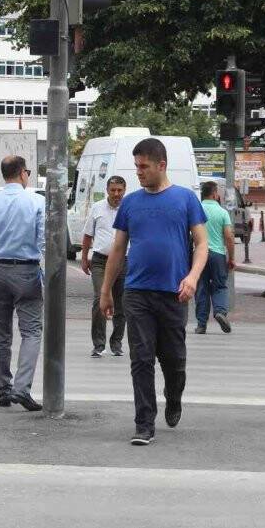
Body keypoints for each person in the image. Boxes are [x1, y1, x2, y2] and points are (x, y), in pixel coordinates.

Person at [99, 138, 208, 446]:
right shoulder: (131, 203)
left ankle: (173, 397)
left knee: (174, 361)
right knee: (141, 359)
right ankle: (144, 423)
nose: (139, 172)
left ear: (162, 165)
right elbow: (118, 249)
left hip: (174, 293)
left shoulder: (185, 199)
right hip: (137, 293)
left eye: (144, 166)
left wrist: (193, 277)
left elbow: (201, 244)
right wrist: (106, 291)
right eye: (136, 166)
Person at [0, 155, 46, 412]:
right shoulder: (37, 202)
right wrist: (45, 275)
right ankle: (22, 388)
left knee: (0, 333)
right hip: (27, 271)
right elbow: (43, 242)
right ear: (23, 173)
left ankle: (3, 389)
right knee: (32, 331)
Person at [81, 175, 127, 358]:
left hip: (124, 262)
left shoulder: (128, 208)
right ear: (107, 190)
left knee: (121, 303)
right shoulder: (97, 208)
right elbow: (87, 235)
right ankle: (98, 345)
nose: (116, 194)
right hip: (100, 261)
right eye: (113, 190)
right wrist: (85, 258)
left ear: (124, 190)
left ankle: (116, 343)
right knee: (99, 298)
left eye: (119, 190)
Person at [194, 181, 235, 334]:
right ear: (214, 194)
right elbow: (229, 237)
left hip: (199, 254)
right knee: (220, 286)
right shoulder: (222, 212)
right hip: (218, 254)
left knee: (201, 288)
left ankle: (201, 324)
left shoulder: (196, 210)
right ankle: (220, 312)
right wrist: (231, 258)